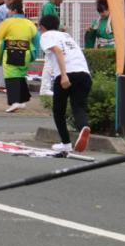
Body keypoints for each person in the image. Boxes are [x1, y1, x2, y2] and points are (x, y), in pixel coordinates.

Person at [38, 13, 91, 152]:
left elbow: (58, 51)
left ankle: (66, 143)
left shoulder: (46, 35)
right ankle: (84, 127)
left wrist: (63, 75)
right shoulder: (67, 36)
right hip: (84, 74)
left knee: (58, 110)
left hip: (67, 74)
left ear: (42, 27)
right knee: (78, 107)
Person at [0, 0, 37, 113]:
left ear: (14, 10)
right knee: (21, 75)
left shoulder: (7, 23)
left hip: (10, 52)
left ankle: (15, 102)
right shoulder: (30, 23)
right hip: (26, 53)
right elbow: (36, 39)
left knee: (11, 76)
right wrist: (33, 55)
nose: (8, 12)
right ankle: (22, 100)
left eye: (9, 10)